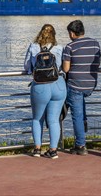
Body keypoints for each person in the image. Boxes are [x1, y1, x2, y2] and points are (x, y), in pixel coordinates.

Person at [24, 24, 66, 159]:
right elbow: (64, 68)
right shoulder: (59, 48)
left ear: (40, 33)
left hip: (40, 87)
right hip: (58, 85)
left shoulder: (33, 47)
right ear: (54, 35)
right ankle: (53, 150)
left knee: (37, 118)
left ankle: (37, 149)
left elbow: (26, 67)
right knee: (53, 120)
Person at [62, 20, 101, 156]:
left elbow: (66, 69)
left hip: (75, 85)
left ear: (72, 33)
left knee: (76, 115)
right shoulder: (95, 43)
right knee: (81, 109)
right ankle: (83, 130)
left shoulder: (69, 47)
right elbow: (97, 62)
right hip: (90, 84)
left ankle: (80, 145)